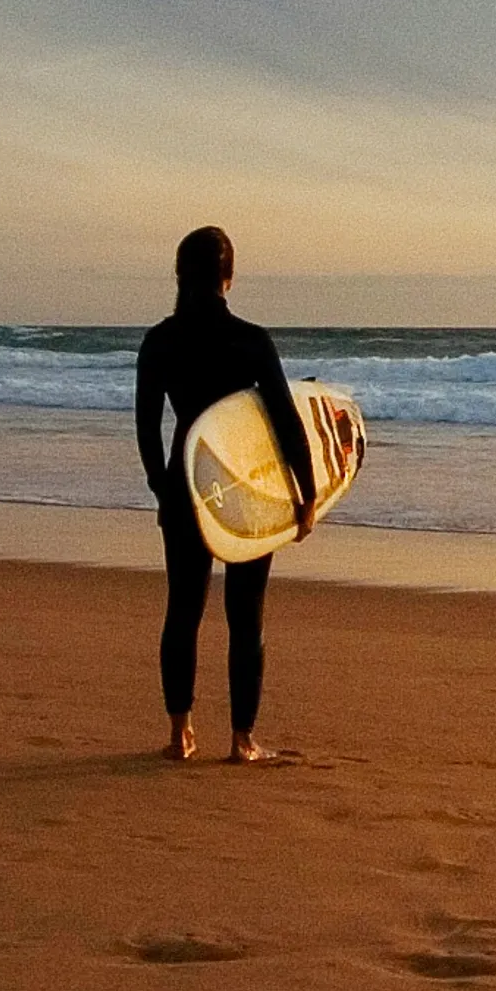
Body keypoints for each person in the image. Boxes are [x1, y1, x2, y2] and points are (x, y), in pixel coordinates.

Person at [133, 224, 314, 764]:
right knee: (246, 615)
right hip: (246, 488)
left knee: (183, 610)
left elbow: (146, 427)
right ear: (228, 278)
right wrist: (305, 495)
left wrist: (163, 487)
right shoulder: (251, 340)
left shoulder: (160, 341)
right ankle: (242, 741)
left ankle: (180, 735)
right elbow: (285, 421)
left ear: (179, 275)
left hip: (186, 484)